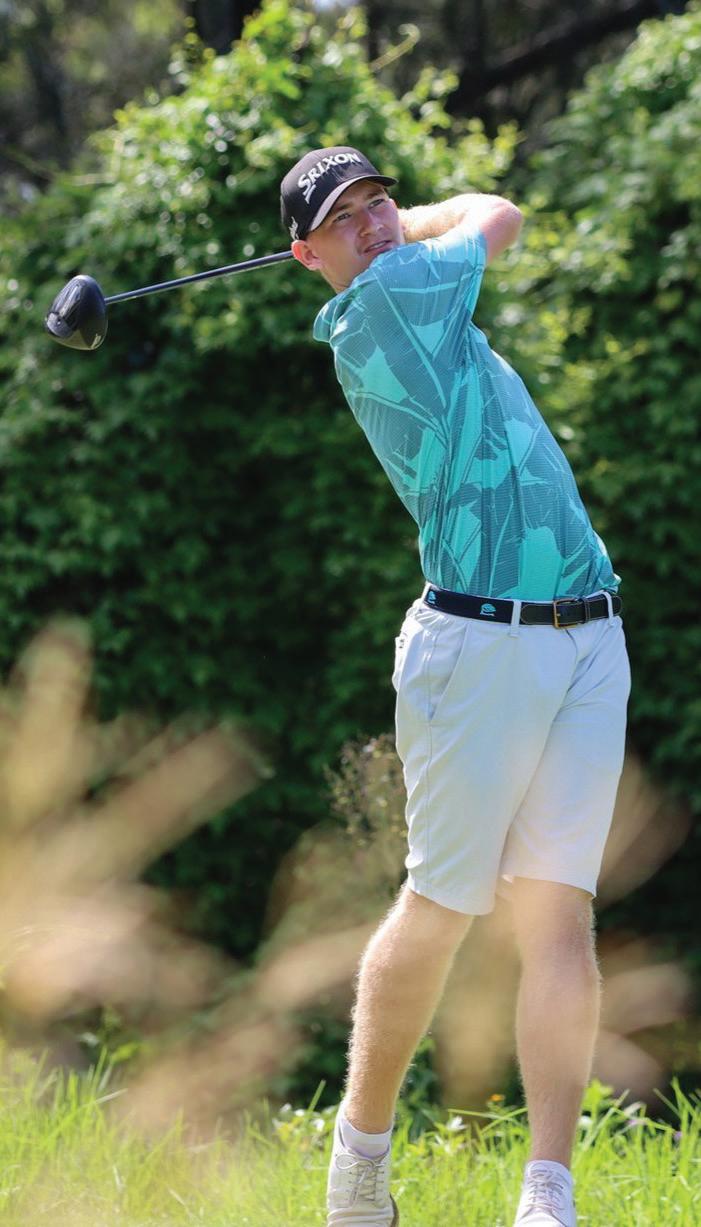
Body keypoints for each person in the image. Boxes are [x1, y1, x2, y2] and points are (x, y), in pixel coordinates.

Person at [279, 146, 631, 1227]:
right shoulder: (387, 300)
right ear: (307, 257)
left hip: (586, 629)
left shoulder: (402, 280)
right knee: (439, 909)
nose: (374, 222)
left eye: (378, 199)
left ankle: (546, 1196)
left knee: (559, 915)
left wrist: (385, 221)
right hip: (476, 649)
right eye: (343, 218)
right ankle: (358, 1168)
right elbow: (500, 211)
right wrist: (416, 221)